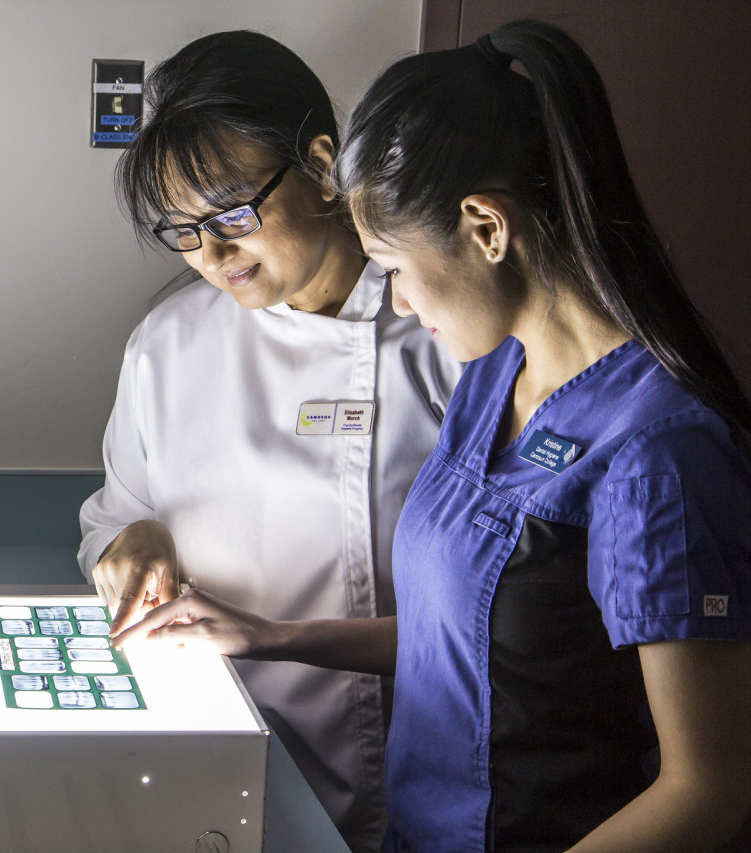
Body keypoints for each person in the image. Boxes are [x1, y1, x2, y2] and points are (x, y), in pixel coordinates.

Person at [116, 20, 751, 853]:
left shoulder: (656, 450)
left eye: (400, 269)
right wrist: (268, 635)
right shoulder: (493, 382)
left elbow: (708, 792)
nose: (401, 307)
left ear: (487, 228)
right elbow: (464, 631)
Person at [77, 30, 461, 852]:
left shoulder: (440, 330)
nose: (212, 255)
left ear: (323, 165)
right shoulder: (167, 346)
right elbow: (115, 518)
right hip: (222, 747)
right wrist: (130, 543)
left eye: (232, 215)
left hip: (428, 761)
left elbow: (508, 600)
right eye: (181, 231)